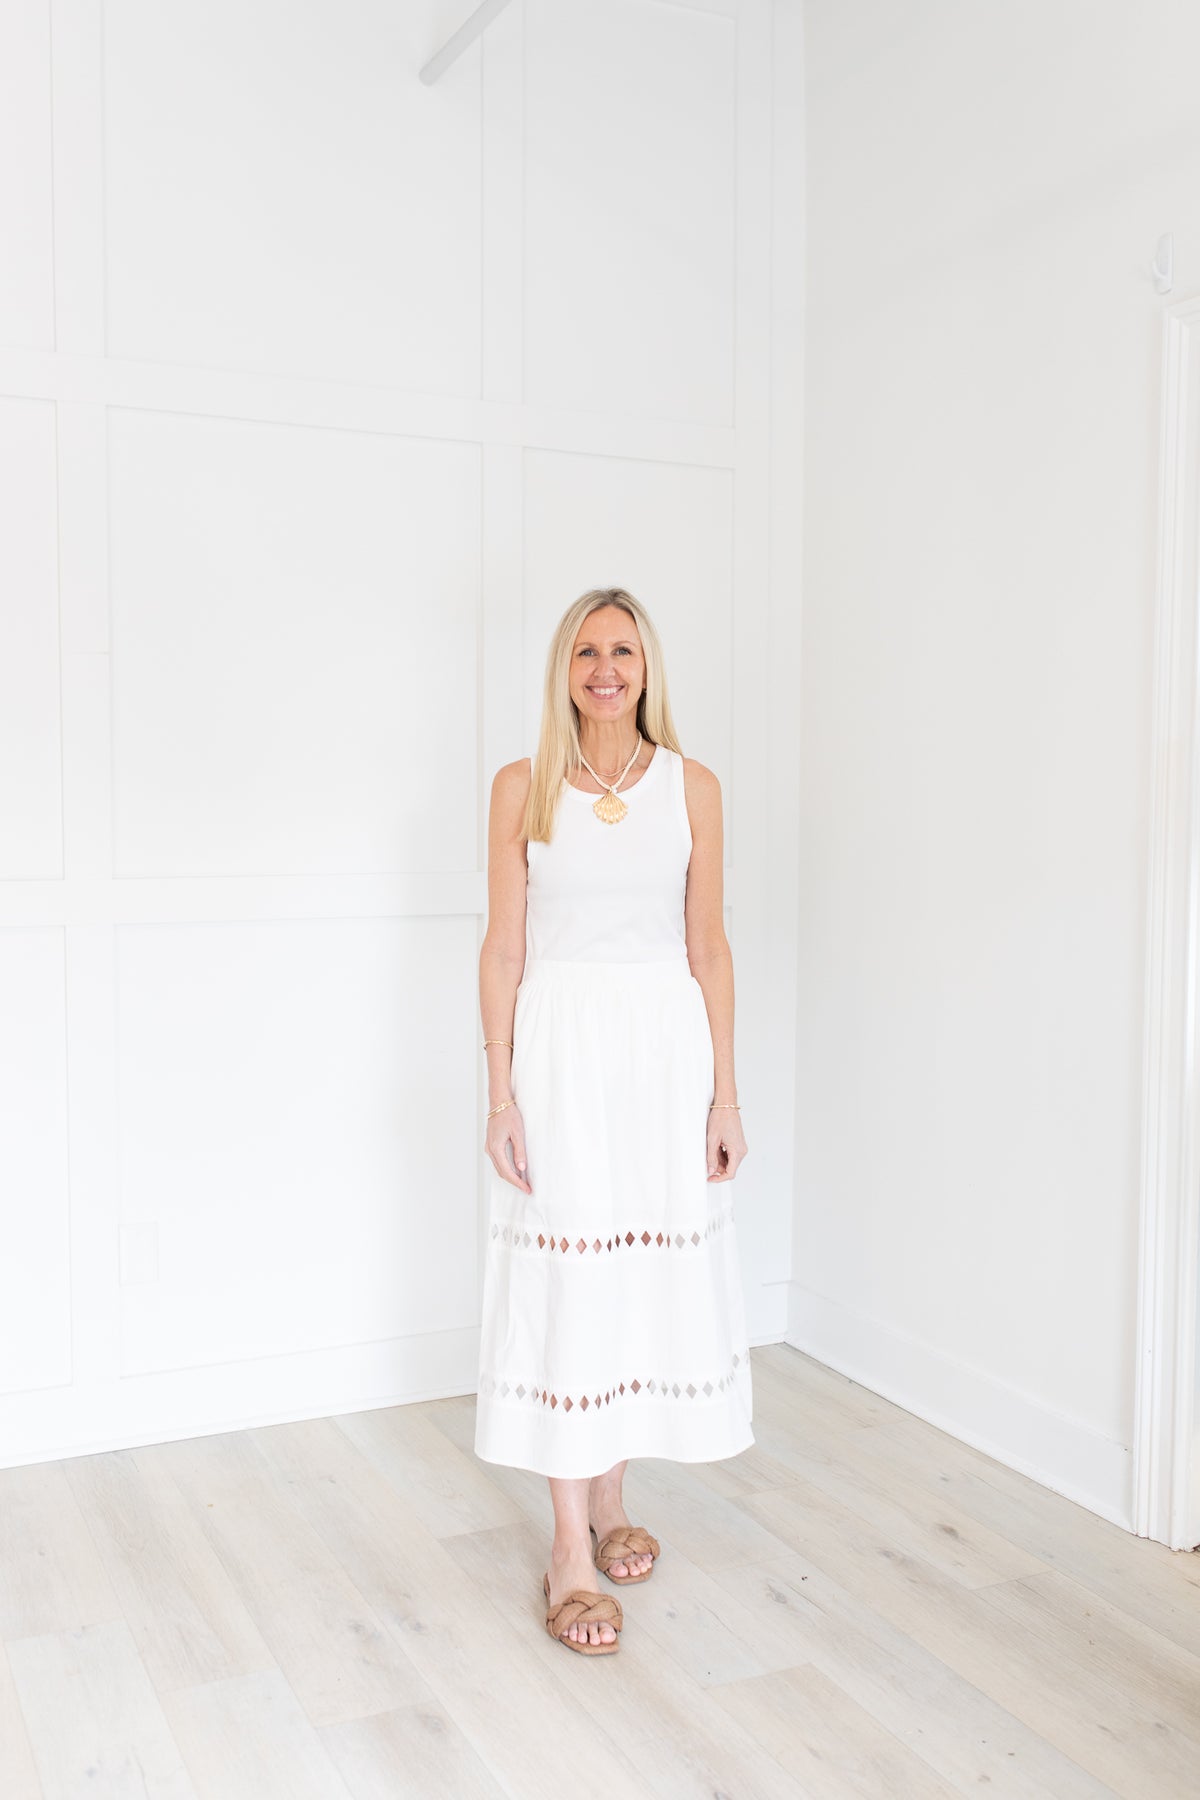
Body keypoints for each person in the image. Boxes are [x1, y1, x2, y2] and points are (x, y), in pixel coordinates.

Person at [474, 586, 753, 1656]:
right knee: (568, 1278)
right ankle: (567, 1548)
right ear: (565, 667)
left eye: (623, 651)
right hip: (559, 1058)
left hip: (663, 1059)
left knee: (633, 1275)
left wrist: (725, 1094)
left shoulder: (693, 787)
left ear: (647, 668)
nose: (604, 669)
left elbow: (708, 947)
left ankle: (611, 1496)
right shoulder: (522, 786)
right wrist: (501, 1093)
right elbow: (505, 948)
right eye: (586, 651)